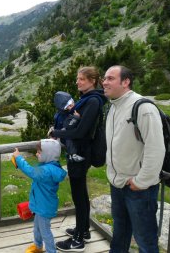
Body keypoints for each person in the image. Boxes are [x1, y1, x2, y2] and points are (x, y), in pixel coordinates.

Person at [102, 65, 165, 253]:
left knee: (145, 241)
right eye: (104, 78)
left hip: (138, 188)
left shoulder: (143, 107)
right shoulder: (113, 106)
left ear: (126, 81)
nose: (104, 82)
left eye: (110, 78)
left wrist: (141, 181)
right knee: (120, 234)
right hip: (118, 183)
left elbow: (156, 148)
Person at [51, 67, 107, 252]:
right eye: (77, 78)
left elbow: (81, 132)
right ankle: (83, 231)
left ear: (92, 81)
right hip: (80, 153)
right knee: (80, 194)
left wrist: (55, 132)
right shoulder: (87, 100)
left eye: (81, 79)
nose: (77, 82)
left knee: (79, 196)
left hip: (81, 154)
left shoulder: (93, 101)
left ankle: (77, 241)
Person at [12, 139, 67, 253]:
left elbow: (31, 171)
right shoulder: (49, 166)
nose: (36, 154)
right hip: (42, 205)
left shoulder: (46, 170)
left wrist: (18, 158)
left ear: (48, 154)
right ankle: (38, 246)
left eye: (39, 152)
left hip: (44, 208)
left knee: (45, 231)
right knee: (37, 228)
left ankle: (51, 251)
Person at [52, 91, 84, 162]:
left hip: (75, 134)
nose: (71, 107)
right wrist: (76, 118)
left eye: (71, 104)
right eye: (68, 106)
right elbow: (68, 125)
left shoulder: (75, 109)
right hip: (65, 135)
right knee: (68, 136)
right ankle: (73, 155)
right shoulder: (63, 115)